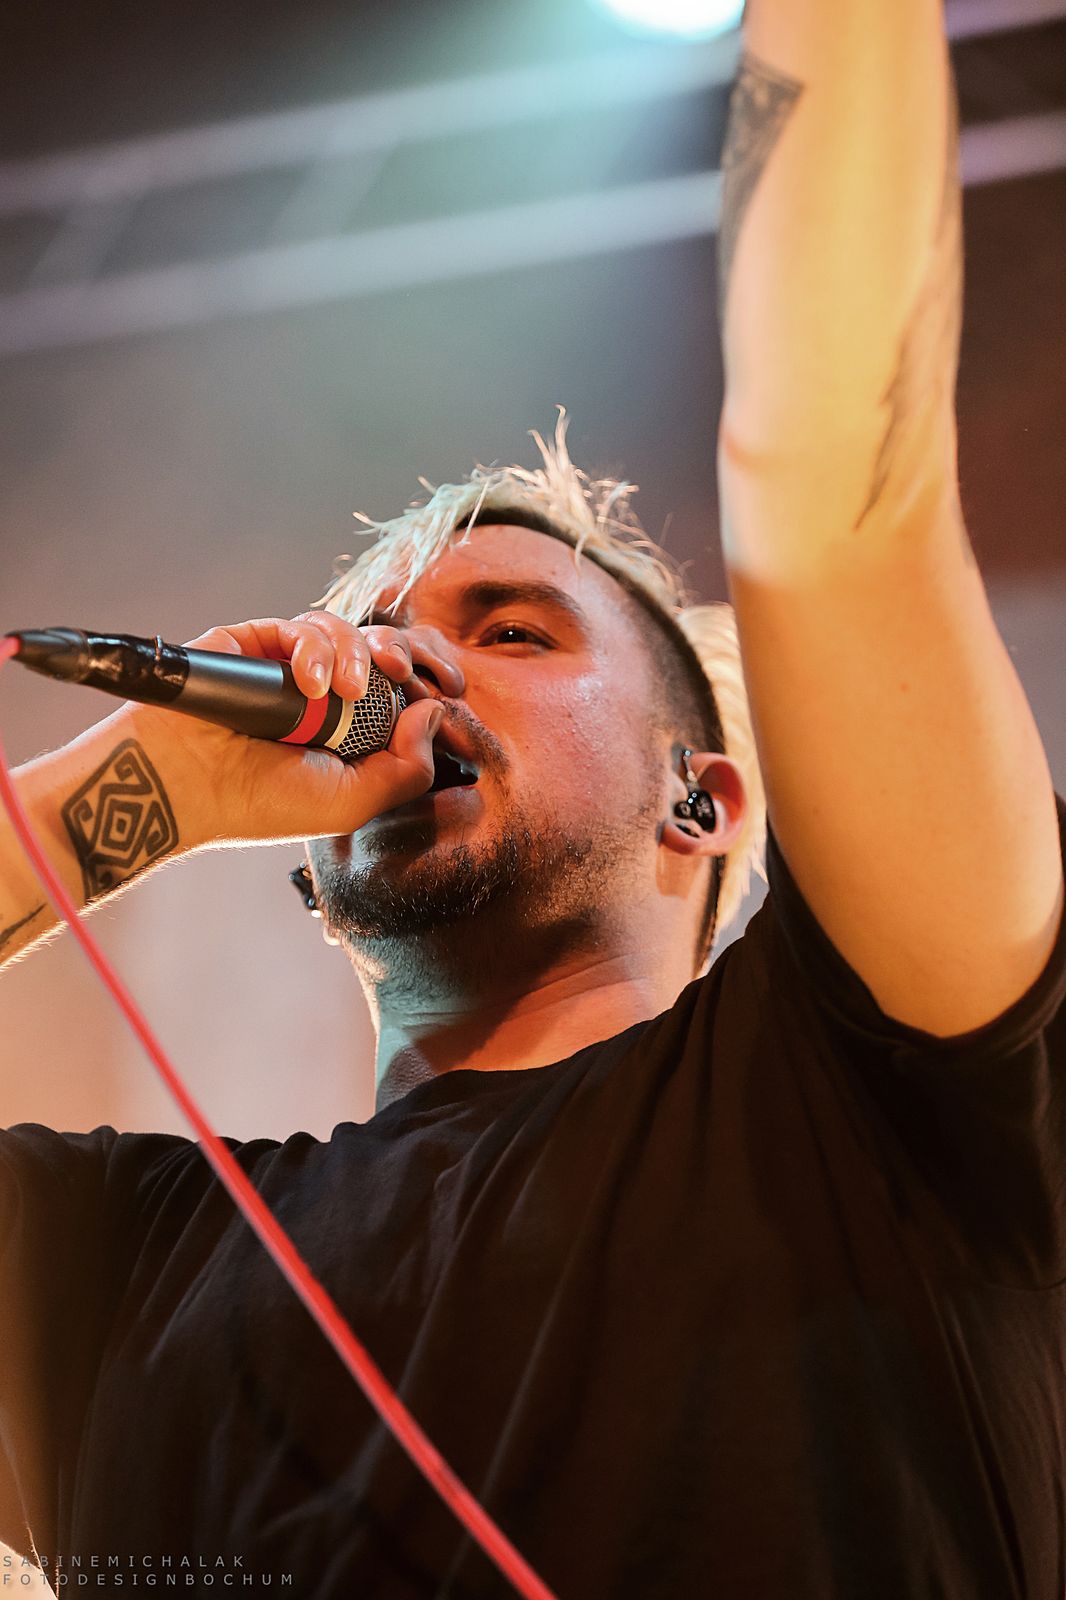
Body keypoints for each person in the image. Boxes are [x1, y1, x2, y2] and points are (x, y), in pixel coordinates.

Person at [2, 1, 1065, 1596]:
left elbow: (832, 493)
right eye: (379, 637)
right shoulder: (113, 1263)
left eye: (510, 633)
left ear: (699, 802)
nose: (409, 665)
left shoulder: (871, 1096)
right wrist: (150, 785)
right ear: (306, 881)